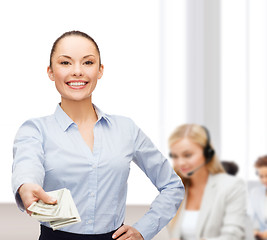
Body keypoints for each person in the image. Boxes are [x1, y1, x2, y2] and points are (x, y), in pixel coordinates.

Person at [12, 30, 185, 240]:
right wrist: (27, 186)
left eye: (88, 62)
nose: (77, 71)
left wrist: (144, 229)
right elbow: (27, 165)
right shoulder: (35, 130)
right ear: (50, 72)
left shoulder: (126, 129)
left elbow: (172, 186)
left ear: (100, 70)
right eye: (65, 63)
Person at [167, 124, 247, 240]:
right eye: (175, 156)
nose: (180, 163)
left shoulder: (232, 186)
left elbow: (233, 235)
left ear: (207, 153)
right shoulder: (176, 190)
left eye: (187, 155)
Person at [249, 155, 267, 240]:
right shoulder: (255, 193)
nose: (264, 180)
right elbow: (249, 217)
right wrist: (252, 230)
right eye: (261, 176)